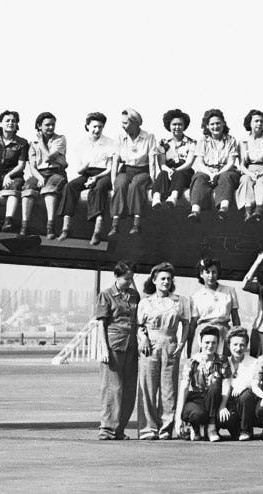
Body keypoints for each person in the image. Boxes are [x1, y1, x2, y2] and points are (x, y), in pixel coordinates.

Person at [136, 262, 188, 440]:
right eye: (162, 278)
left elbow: (186, 323)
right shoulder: (145, 302)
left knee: (169, 390)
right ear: (154, 280)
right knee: (148, 387)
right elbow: (139, 325)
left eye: (168, 279)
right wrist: (142, 338)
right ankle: (147, 429)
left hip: (170, 344)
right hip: (150, 346)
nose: (166, 282)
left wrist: (181, 344)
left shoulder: (179, 301)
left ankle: (165, 428)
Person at [95, 261, 140, 440]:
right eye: (126, 279)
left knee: (129, 390)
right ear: (116, 276)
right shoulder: (106, 295)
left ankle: (119, 429)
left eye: (131, 279)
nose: (129, 282)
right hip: (114, 347)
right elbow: (101, 324)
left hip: (131, 347)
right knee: (112, 389)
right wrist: (103, 349)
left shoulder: (135, 295)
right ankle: (106, 429)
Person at [59, 112, 116, 244]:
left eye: (100, 127)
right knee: (70, 186)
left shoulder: (110, 143)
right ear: (87, 126)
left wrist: (95, 178)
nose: (97, 130)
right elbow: (79, 169)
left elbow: (110, 168)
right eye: (94, 126)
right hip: (87, 174)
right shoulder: (81, 144)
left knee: (99, 188)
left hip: (103, 174)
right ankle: (66, 228)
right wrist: (85, 168)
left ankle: (97, 231)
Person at [107, 109, 157, 236]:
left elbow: (152, 160)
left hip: (142, 170)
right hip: (126, 169)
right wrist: (113, 180)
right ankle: (115, 224)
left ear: (135, 123)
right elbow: (115, 161)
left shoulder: (149, 137)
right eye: (122, 123)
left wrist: (153, 180)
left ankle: (136, 223)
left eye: (125, 123)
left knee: (135, 185)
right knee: (120, 184)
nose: (122, 126)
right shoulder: (120, 138)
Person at [178, 326, 231, 442]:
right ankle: (196, 427)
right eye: (207, 342)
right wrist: (178, 417)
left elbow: (226, 386)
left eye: (214, 343)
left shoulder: (222, 361)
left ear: (218, 344)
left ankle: (211, 427)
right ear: (200, 343)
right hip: (196, 399)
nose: (210, 346)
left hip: (214, 398)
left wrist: (223, 406)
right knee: (197, 414)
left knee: (215, 383)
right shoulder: (192, 362)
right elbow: (184, 388)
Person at [188, 109, 240, 221]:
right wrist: (210, 174)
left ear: (223, 124)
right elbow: (200, 162)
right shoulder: (202, 141)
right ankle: (195, 211)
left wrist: (218, 173)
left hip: (226, 170)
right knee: (199, 177)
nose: (215, 126)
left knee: (226, 177)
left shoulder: (231, 140)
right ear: (207, 126)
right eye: (212, 124)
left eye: (218, 123)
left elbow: (231, 162)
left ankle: (223, 208)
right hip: (207, 170)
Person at [23, 112, 67, 238]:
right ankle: (24, 226)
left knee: (49, 190)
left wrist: (41, 141)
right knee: (27, 190)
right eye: (47, 125)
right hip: (39, 174)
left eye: (53, 125)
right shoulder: (33, 145)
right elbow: (32, 166)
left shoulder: (60, 139)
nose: (51, 128)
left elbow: (49, 157)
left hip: (56, 172)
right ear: (39, 126)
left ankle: (50, 226)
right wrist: (39, 177)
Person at [187, 257, 240, 355]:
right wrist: (189, 345)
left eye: (214, 272)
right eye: (207, 272)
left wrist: (237, 337)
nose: (211, 276)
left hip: (223, 332)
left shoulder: (229, 291)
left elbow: (235, 317)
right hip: (203, 333)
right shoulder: (196, 296)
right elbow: (193, 323)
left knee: (222, 364)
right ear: (201, 274)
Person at [151, 109, 197, 211]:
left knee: (179, 174)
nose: (177, 127)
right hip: (168, 170)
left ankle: (173, 197)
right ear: (169, 126)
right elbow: (162, 164)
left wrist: (176, 170)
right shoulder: (163, 143)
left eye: (180, 124)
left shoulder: (192, 142)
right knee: (162, 173)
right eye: (174, 124)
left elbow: (189, 163)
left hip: (184, 171)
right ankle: (156, 198)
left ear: (184, 126)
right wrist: (169, 170)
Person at [235, 109, 263, 222]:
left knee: (262, 181)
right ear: (250, 123)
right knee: (245, 180)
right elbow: (242, 164)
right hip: (249, 170)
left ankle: (259, 210)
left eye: (261, 121)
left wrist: (260, 174)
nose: (259, 124)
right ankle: (247, 211)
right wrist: (250, 174)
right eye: (256, 121)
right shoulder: (243, 141)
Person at [0, 110, 29, 234]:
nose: (11, 123)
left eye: (13, 121)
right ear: (0, 123)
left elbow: (21, 165)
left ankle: (8, 221)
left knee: (15, 187)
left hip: (13, 174)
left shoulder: (22, 143)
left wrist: (8, 176)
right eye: (7, 121)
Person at [225, 328, 260, 441]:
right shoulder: (224, 361)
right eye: (235, 344)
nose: (238, 348)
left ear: (246, 346)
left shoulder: (254, 362)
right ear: (228, 345)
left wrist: (244, 386)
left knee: (246, 395)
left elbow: (257, 382)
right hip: (229, 401)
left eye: (242, 345)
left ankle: (246, 429)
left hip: (246, 401)